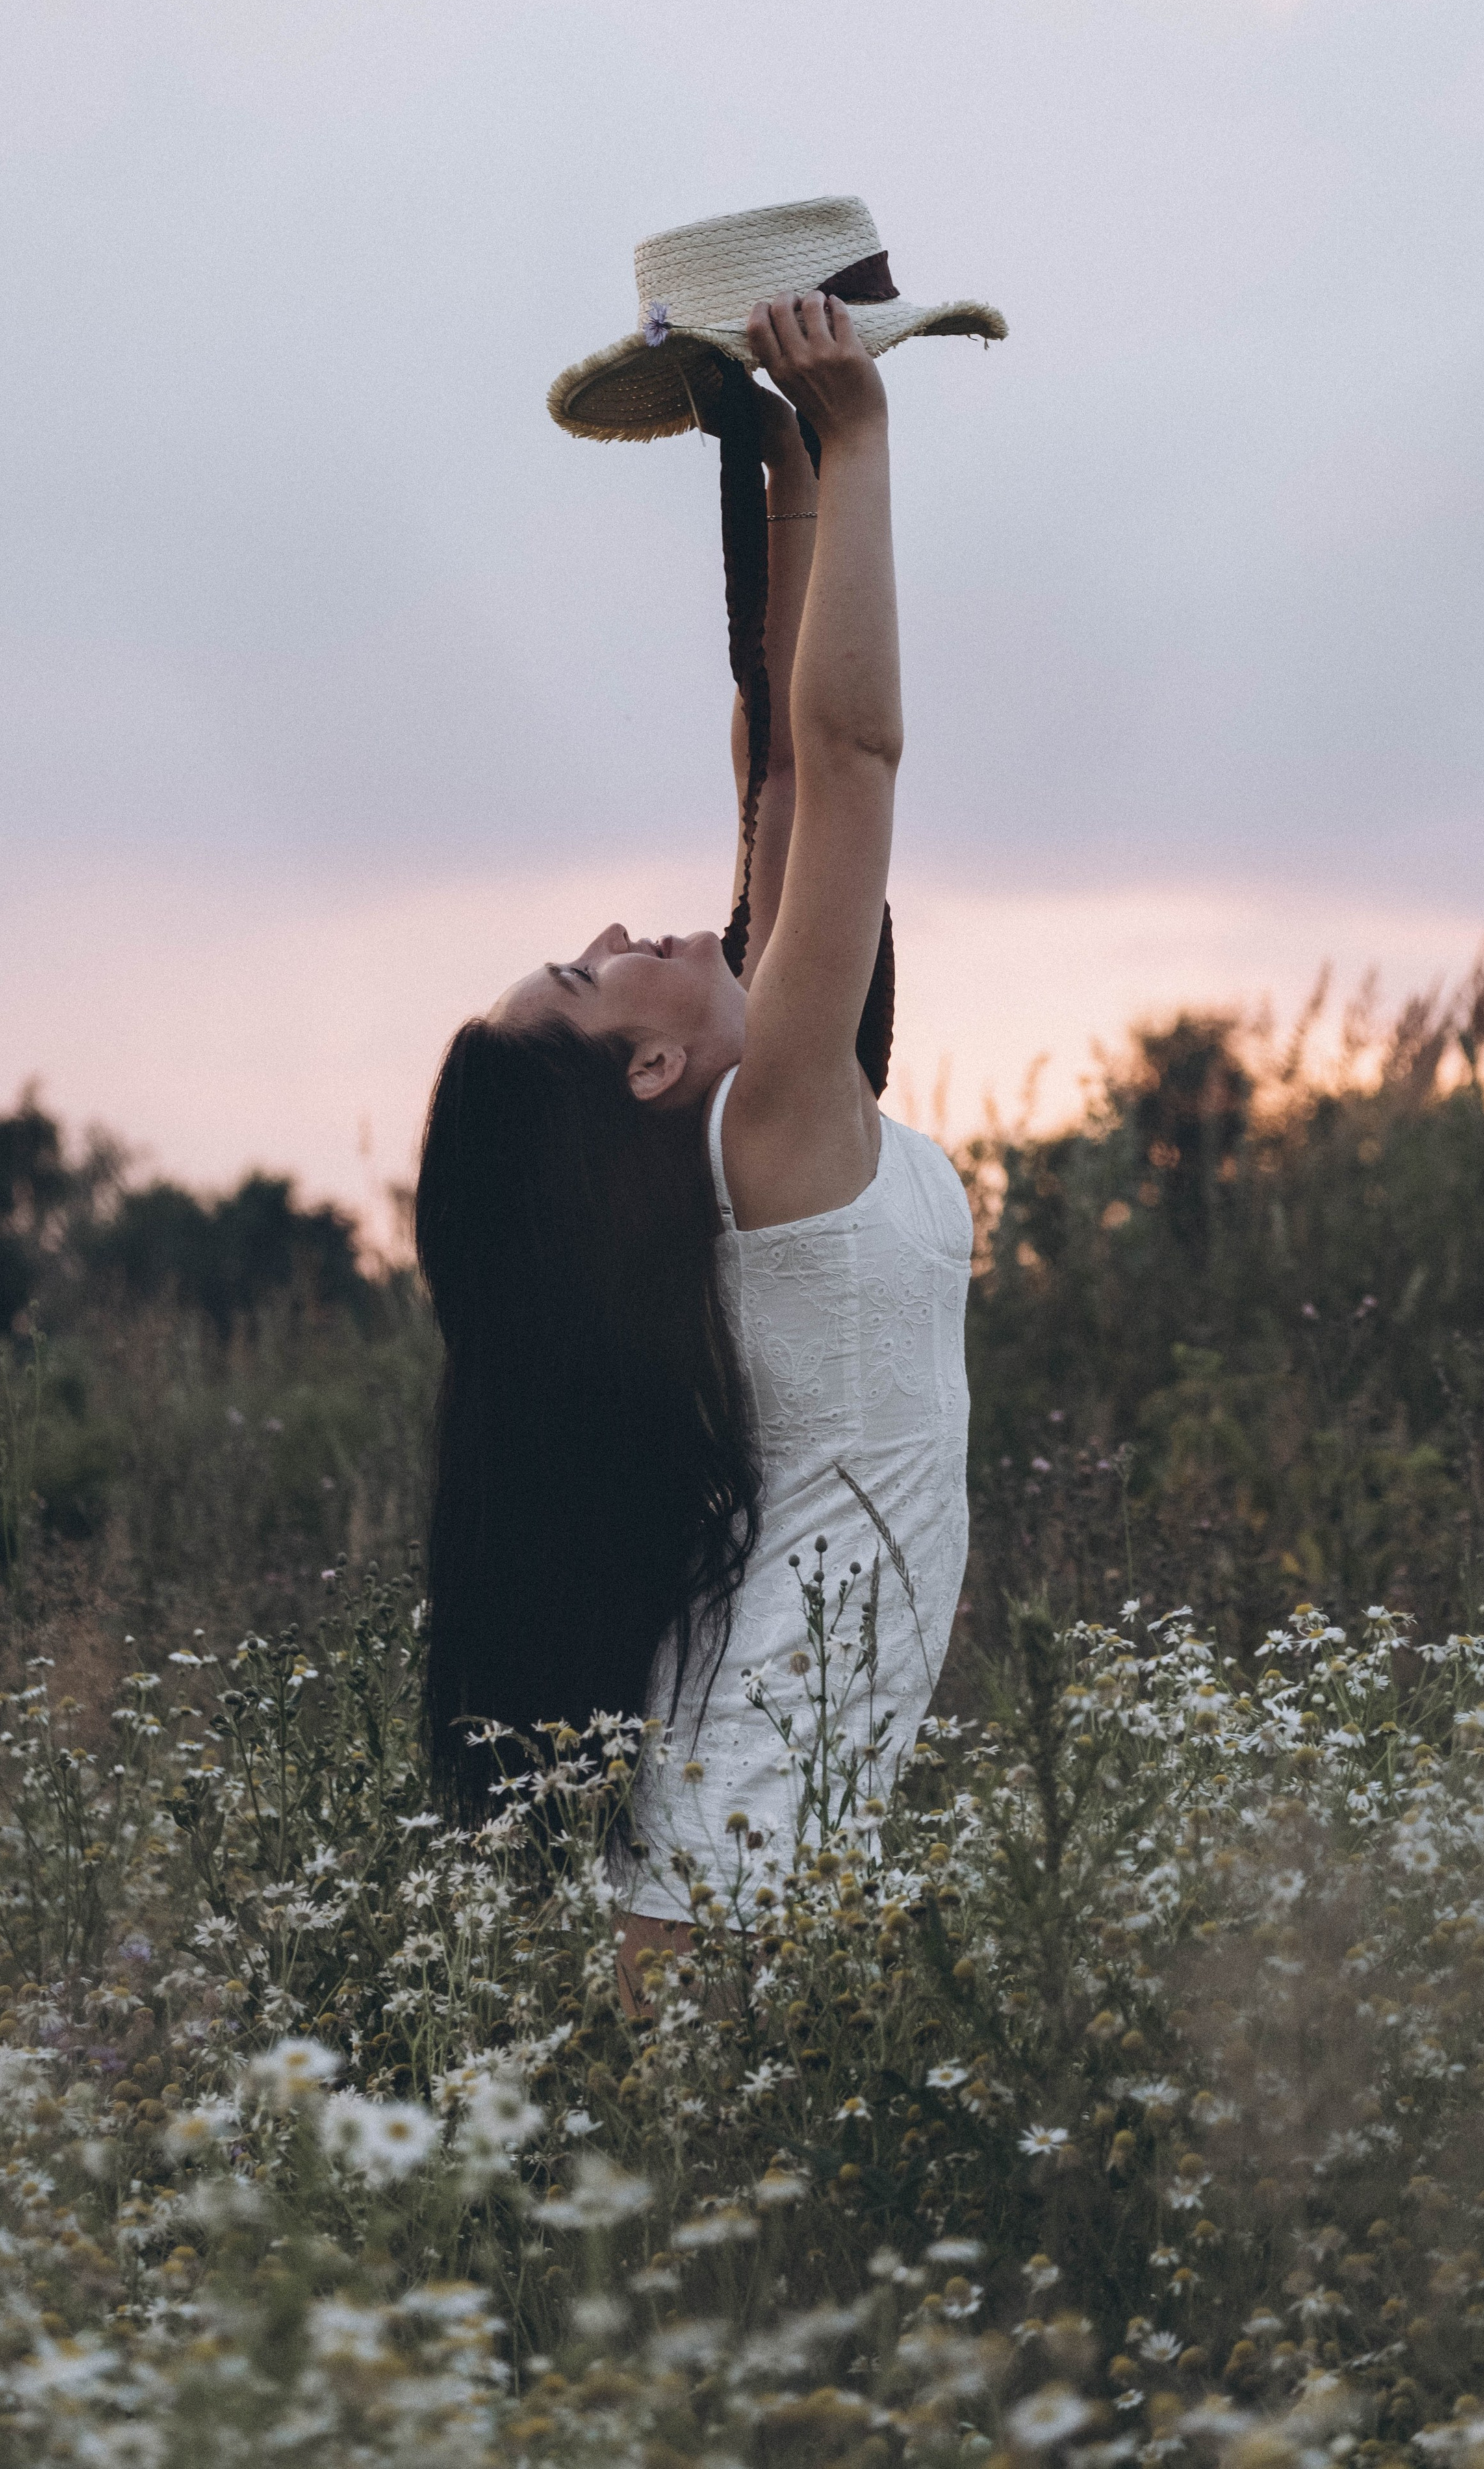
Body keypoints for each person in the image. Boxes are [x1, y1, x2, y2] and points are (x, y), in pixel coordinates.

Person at [413, 290, 972, 2003]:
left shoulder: (747, 1156)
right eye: (589, 977)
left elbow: (785, 770)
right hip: (740, 1848)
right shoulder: (775, 1128)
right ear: (653, 1066)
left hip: (740, 1828)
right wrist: (864, 442)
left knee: (676, 2239)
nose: (619, 927)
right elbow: (851, 755)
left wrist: (776, 461)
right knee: (683, 2247)